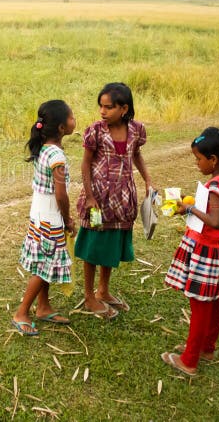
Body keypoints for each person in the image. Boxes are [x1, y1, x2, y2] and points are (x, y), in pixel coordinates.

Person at [162, 127, 219, 376]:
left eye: (199, 159)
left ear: (213, 159)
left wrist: (189, 209)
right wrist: (189, 200)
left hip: (204, 250)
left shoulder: (216, 185)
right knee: (214, 300)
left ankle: (189, 360)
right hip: (215, 249)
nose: (197, 163)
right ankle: (207, 348)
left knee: (200, 305)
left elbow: (215, 220)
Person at [75, 82, 152, 319]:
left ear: (124, 108)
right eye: (101, 106)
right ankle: (89, 295)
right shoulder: (95, 131)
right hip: (98, 198)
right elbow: (86, 163)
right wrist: (89, 196)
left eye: (108, 107)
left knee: (110, 242)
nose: (102, 111)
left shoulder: (137, 130)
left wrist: (148, 180)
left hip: (123, 198)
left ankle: (103, 290)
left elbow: (136, 155)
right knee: (93, 245)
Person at [11, 100, 77, 336]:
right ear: (61, 128)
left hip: (39, 214)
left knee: (44, 262)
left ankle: (43, 307)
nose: (74, 120)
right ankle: (22, 312)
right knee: (45, 266)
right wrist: (68, 219)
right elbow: (61, 194)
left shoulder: (44, 148)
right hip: (50, 216)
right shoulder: (56, 156)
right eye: (71, 117)